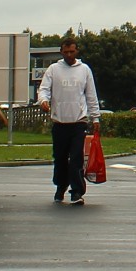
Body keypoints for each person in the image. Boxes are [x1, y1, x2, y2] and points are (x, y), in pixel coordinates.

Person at [38, 36, 101, 205]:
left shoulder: (84, 70)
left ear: (77, 51)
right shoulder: (53, 69)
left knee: (76, 159)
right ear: (61, 52)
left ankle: (77, 191)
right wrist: (43, 100)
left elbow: (91, 95)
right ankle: (61, 187)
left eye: (72, 51)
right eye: (65, 52)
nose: (69, 55)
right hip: (59, 123)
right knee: (60, 159)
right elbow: (44, 89)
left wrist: (95, 117)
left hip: (78, 122)